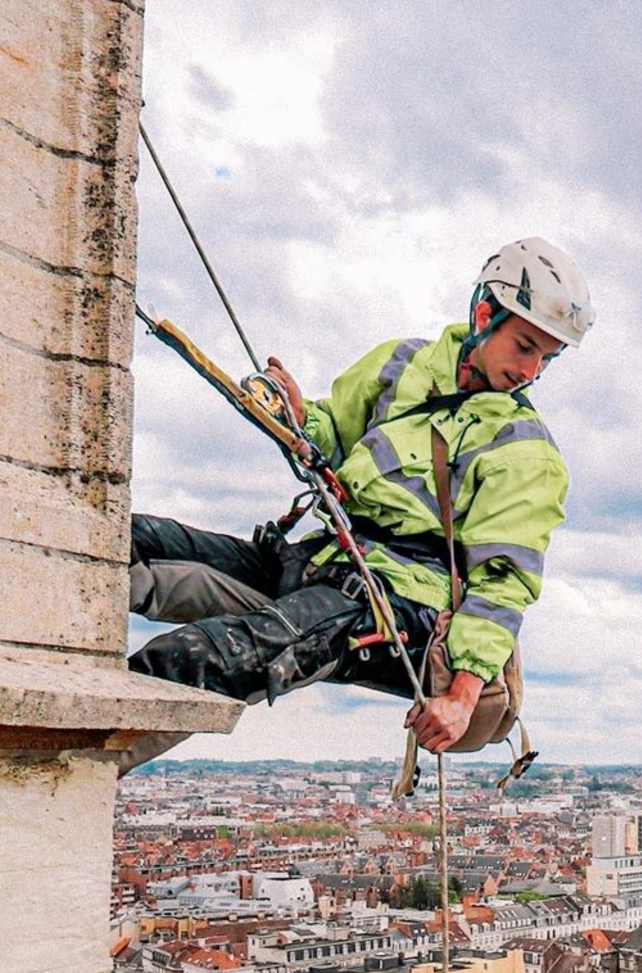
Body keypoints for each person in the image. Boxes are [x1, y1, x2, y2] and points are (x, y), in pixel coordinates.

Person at [128, 237, 591, 755]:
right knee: (128, 541)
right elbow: (335, 433)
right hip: (329, 558)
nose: (530, 372)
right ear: (485, 315)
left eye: (547, 358)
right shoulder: (404, 365)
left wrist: (461, 697)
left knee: (198, 658)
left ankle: (77, 772)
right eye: (525, 346)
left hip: (401, 605)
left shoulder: (523, 448)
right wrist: (301, 418)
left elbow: (503, 583)